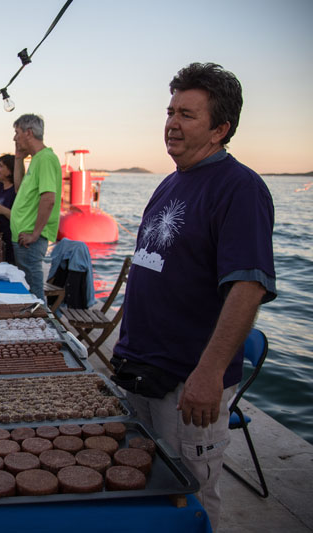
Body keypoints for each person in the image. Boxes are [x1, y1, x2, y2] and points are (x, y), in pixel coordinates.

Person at [112, 63, 276, 531]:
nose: (172, 123)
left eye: (187, 114)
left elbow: (249, 286)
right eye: (170, 111)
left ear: (220, 128)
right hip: (140, 370)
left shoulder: (240, 189)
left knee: (191, 497)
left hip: (187, 385)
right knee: (141, 485)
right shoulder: (170, 181)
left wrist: (208, 374)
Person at [9, 113, 62, 298]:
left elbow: (49, 198)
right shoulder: (36, 159)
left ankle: (42, 325)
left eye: (17, 132)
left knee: (34, 295)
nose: (15, 137)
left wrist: (35, 234)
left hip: (29, 240)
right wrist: (18, 158)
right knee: (27, 292)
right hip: (23, 238)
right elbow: (18, 187)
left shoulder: (46, 159)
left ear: (28, 132)